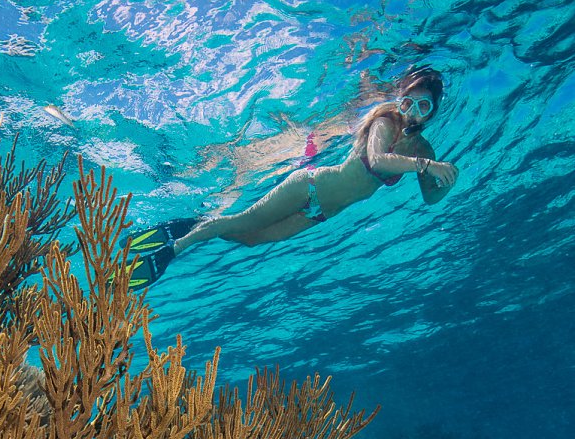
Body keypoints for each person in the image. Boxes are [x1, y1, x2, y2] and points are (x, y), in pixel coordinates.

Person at [123, 66, 458, 288]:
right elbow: (378, 159)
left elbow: (430, 197)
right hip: (309, 186)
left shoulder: (423, 150)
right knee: (242, 220)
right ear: (398, 101)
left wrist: (445, 182)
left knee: (250, 237)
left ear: (434, 110)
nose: (411, 112)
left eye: (422, 106)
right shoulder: (385, 124)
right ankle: (172, 250)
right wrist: (426, 167)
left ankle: (191, 224)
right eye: (407, 102)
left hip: (319, 213)